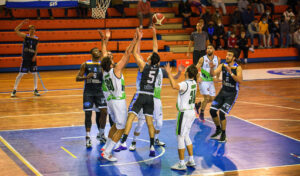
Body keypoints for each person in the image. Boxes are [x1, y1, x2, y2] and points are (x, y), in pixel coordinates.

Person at [114, 26, 161, 157]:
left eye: (149, 56)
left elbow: (134, 53)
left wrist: (138, 39)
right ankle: (152, 146)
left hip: (140, 95)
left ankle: (123, 142)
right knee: (150, 122)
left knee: (131, 117)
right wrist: (154, 35)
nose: (148, 56)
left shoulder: (143, 66)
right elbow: (156, 50)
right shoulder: (157, 67)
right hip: (151, 97)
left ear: (150, 60)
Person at [100, 29, 137, 162]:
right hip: (118, 101)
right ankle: (108, 152)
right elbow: (127, 53)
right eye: (111, 59)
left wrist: (105, 40)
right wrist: (135, 39)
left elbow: (104, 52)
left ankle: (105, 147)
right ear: (110, 64)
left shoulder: (104, 71)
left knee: (115, 125)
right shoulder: (115, 70)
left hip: (112, 102)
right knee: (121, 128)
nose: (112, 59)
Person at [76, 30, 109, 148]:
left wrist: (104, 39)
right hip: (88, 92)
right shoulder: (85, 64)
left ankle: (101, 134)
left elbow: (106, 53)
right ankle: (88, 137)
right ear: (91, 53)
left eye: (98, 50)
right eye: (95, 50)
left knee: (104, 112)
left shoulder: (102, 65)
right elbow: (77, 78)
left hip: (99, 92)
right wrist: (85, 77)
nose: (97, 51)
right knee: (88, 114)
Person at [165, 63, 198, 170]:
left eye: (186, 70)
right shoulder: (194, 83)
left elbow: (174, 86)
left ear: (187, 73)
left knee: (180, 137)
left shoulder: (185, 84)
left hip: (184, 113)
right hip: (191, 112)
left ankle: (181, 163)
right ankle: (191, 160)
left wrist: (169, 73)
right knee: (186, 135)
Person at [209, 49, 243, 142]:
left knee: (222, 113)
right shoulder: (222, 65)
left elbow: (240, 81)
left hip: (231, 94)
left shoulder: (237, 68)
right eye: (227, 55)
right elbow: (213, 74)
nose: (227, 56)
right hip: (223, 91)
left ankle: (223, 134)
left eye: (229, 55)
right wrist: (211, 68)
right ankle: (218, 130)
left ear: (234, 58)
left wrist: (231, 72)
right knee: (212, 111)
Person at [11, 19, 40, 97]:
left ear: (35, 30)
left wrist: (35, 56)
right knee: (20, 74)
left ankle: (35, 89)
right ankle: (14, 90)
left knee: (35, 74)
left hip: (32, 59)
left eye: (33, 29)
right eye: (31, 29)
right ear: (29, 30)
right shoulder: (25, 36)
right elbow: (16, 30)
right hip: (26, 58)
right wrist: (22, 23)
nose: (32, 31)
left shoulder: (36, 39)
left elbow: (36, 48)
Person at [195, 44, 221, 122]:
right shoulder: (202, 59)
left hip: (211, 81)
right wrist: (197, 77)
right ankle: (201, 113)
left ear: (213, 50)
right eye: (208, 48)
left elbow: (219, 69)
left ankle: (198, 104)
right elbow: (195, 69)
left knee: (212, 98)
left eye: (210, 48)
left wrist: (217, 77)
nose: (209, 49)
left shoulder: (218, 59)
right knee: (206, 97)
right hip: (203, 80)